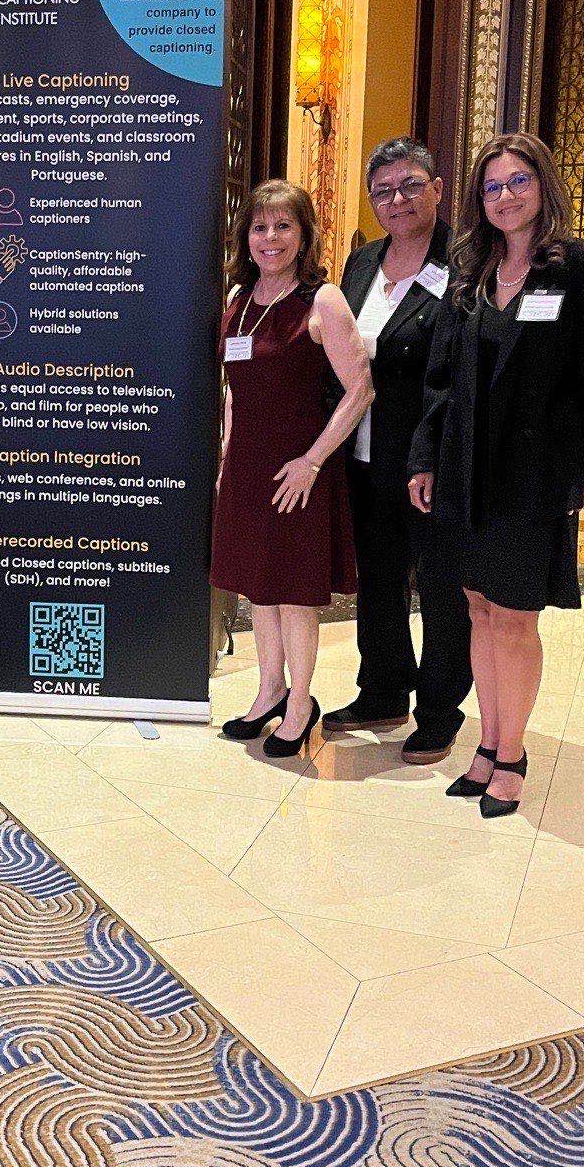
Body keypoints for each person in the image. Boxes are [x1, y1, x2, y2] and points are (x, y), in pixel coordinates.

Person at [408, 131, 584, 817]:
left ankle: (512, 752)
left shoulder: (582, 267)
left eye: (518, 182)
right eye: (493, 187)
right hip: (465, 466)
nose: (505, 197)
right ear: (479, 199)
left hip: (533, 471)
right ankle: (485, 743)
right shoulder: (469, 270)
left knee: (515, 617)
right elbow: (439, 378)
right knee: (476, 606)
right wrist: (424, 457)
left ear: (543, 186)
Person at [211, 179, 370, 758]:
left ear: (303, 236)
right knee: (261, 586)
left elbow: (360, 390)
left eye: (283, 226)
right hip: (249, 468)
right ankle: (269, 691)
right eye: (260, 226)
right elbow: (234, 389)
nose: (270, 237)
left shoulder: (322, 300)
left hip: (300, 469)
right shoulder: (240, 299)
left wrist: (312, 461)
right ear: (245, 237)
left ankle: (301, 703)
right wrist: (228, 456)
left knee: (296, 593)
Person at [326, 137, 472, 763]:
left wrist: (435, 454)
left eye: (411, 185)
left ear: (439, 188)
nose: (397, 200)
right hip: (362, 455)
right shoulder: (361, 264)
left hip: (429, 458)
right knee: (378, 579)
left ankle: (439, 708)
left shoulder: (467, 263)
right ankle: (383, 689)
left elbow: (465, 371)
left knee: (440, 586)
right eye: (383, 190)